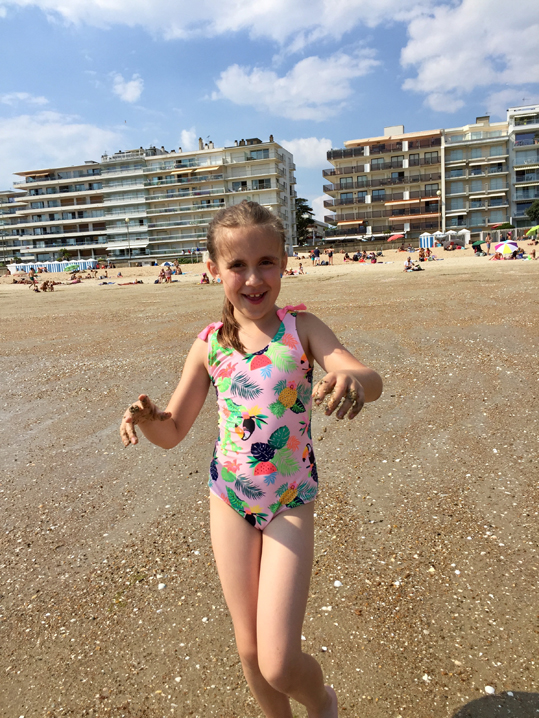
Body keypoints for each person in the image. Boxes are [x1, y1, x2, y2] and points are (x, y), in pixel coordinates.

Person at [119, 200, 382, 718]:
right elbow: (172, 431)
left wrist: (352, 379)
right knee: (250, 652)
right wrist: (147, 419)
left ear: (284, 263)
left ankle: (322, 704)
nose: (254, 278)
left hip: (289, 501)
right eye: (237, 265)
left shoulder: (303, 328)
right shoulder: (209, 345)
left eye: (266, 262)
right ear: (213, 269)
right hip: (229, 498)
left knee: (279, 662)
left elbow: (368, 377)